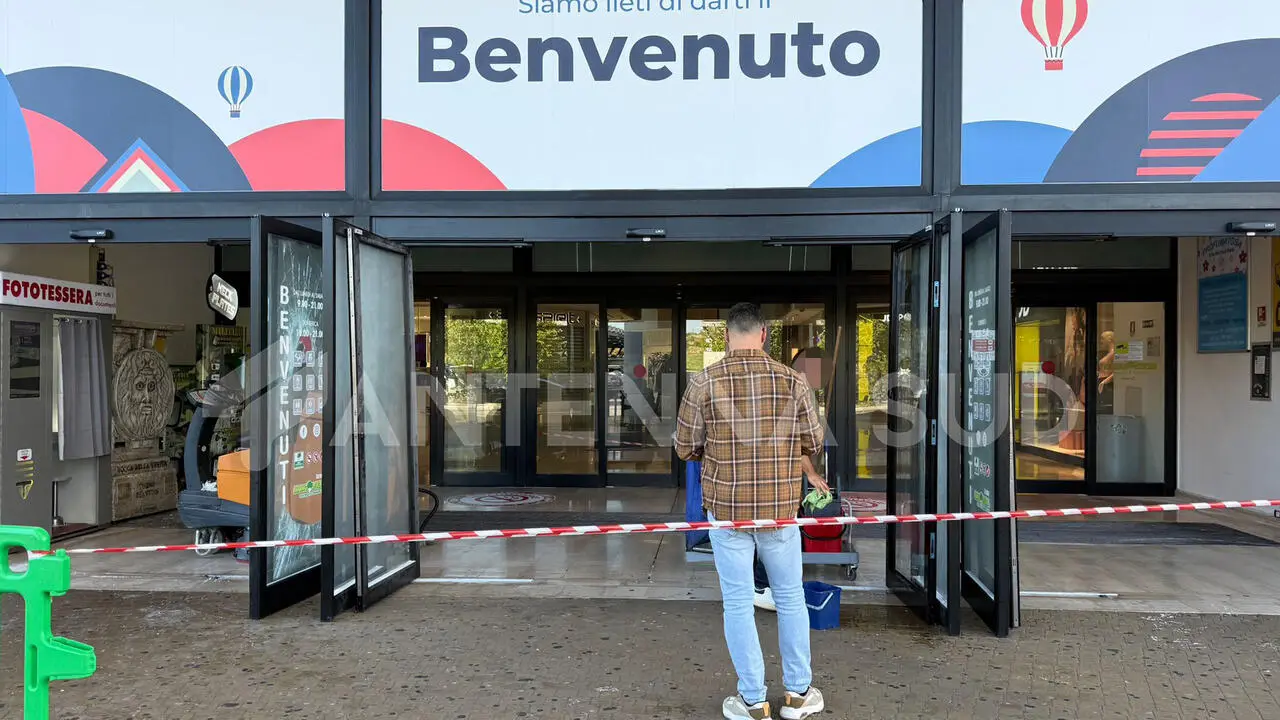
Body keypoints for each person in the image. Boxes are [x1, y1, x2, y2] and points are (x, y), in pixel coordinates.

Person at [675, 303, 826, 720]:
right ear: (763, 335)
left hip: (728, 512)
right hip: (778, 510)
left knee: (738, 603)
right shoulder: (793, 380)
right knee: (791, 597)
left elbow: (684, 447)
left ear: (727, 336)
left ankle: (752, 700)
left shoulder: (703, 382)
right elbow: (813, 439)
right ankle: (797, 695)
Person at [753, 347, 830, 613]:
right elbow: (792, 442)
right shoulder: (794, 389)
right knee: (774, 534)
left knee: (774, 533)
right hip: (781, 479)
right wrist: (811, 473)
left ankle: (768, 586)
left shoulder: (794, 388)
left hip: (779, 477)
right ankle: (763, 587)